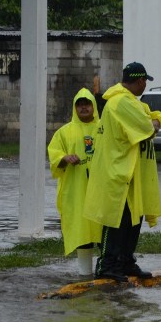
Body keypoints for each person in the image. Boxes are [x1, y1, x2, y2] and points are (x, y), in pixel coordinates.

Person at [84, 62, 161, 281]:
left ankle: (126, 261)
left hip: (130, 174)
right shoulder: (121, 103)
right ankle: (107, 264)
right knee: (115, 220)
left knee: (133, 220)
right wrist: (154, 122)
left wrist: (155, 119)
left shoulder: (131, 103)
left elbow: (154, 114)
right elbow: (149, 128)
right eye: (145, 81)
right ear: (140, 81)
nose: (145, 85)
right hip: (117, 172)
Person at [46, 88, 102, 275]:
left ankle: (107, 270)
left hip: (101, 191)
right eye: (80, 104)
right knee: (82, 230)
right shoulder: (64, 132)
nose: (84, 107)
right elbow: (54, 155)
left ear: (93, 106)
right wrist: (64, 158)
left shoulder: (104, 128)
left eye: (87, 103)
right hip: (76, 192)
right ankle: (84, 274)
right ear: (74, 107)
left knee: (105, 230)